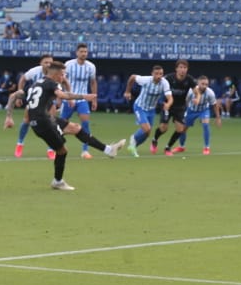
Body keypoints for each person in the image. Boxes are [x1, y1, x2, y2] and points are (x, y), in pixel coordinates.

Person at [25, 61, 126, 190]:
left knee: (76, 128)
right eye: (62, 74)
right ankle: (58, 181)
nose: (63, 77)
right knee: (62, 151)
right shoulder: (52, 83)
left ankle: (109, 150)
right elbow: (63, 95)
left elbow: (24, 100)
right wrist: (83, 96)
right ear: (56, 74)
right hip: (44, 122)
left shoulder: (36, 83)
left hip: (43, 120)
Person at [123, 65, 173, 156]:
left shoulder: (164, 83)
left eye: (161, 74)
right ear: (152, 74)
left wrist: (168, 104)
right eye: (156, 74)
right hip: (140, 107)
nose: (159, 76)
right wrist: (127, 91)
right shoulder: (145, 80)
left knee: (147, 133)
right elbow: (132, 77)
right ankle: (133, 138)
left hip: (151, 110)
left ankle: (133, 147)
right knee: (147, 129)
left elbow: (170, 97)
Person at [61, 43, 98, 158]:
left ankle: (85, 150)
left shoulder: (91, 66)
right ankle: (55, 146)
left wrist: (94, 99)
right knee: (61, 125)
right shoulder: (69, 64)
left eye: (85, 52)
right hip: (69, 98)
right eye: (81, 51)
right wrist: (63, 96)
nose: (83, 54)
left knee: (85, 123)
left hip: (82, 99)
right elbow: (62, 80)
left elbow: (92, 82)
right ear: (77, 52)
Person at [152, 59, 195, 155]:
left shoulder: (189, 79)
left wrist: (197, 98)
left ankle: (168, 148)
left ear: (187, 69)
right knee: (163, 128)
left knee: (180, 129)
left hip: (180, 107)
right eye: (180, 67)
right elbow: (159, 87)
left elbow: (196, 90)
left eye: (185, 68)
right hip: (167, 105)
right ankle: (155, 139)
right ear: (176, 69)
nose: (182, 69)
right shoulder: (168, 78)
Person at [184, 75, 221, 154]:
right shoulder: (191, 90)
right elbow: (186, 101)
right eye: (202, 84)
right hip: (191, 110)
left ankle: (207, 147)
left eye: (206, 84)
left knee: (205, 125)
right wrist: (185, 111)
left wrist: (218, 118)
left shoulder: (210, 92)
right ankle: (181, 146)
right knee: (183, 129)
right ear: (198, 83)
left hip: (204, 110)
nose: (204, 86)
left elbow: (214, 104)